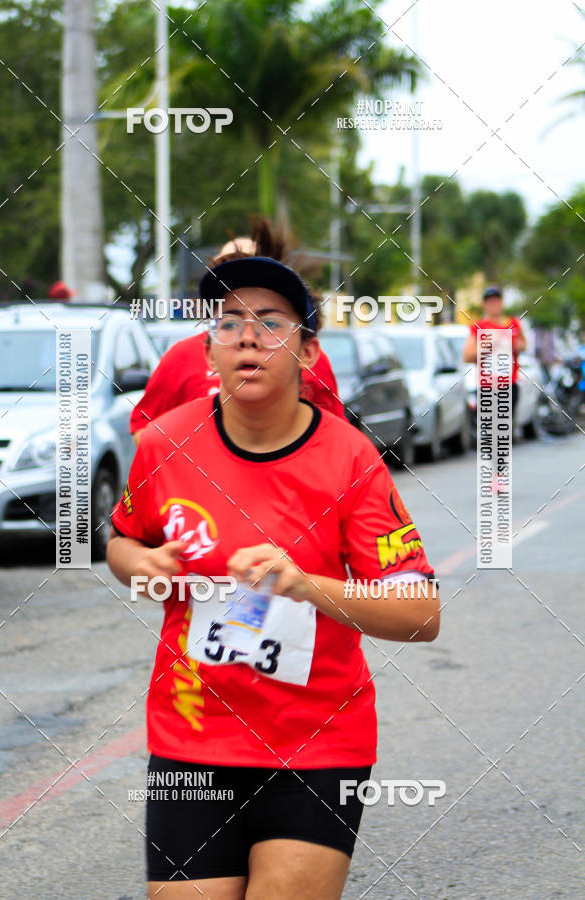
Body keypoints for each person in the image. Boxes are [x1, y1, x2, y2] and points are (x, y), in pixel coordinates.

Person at [107, 251, 440, 899]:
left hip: (316, 746)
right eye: (228, 322)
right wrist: (138, 566)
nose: (249, 336)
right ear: (208, 352)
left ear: (310, 353)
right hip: (191, 739)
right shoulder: (163, 446)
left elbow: (421, 613)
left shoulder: (351, 460)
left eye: (272, 322)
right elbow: (123, 539)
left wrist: (305, 584)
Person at [130, 226, 345, 446]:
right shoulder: (181, 356)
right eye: (226, 268)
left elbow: (335, 436)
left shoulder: (304, 356)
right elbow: (144, 430)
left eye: (253, 266)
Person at [462, 286, 527, 411]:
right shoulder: (479, 327)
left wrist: (518, 346)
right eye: (490, 301)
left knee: (504, 427)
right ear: (484, 304)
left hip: (509, 384)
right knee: (490, 427)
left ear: (502, 302)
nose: (494, 304)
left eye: (496, 300)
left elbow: (523, 344)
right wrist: (488, 346)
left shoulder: (513, 323)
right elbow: (466, 356)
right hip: (487, 385)